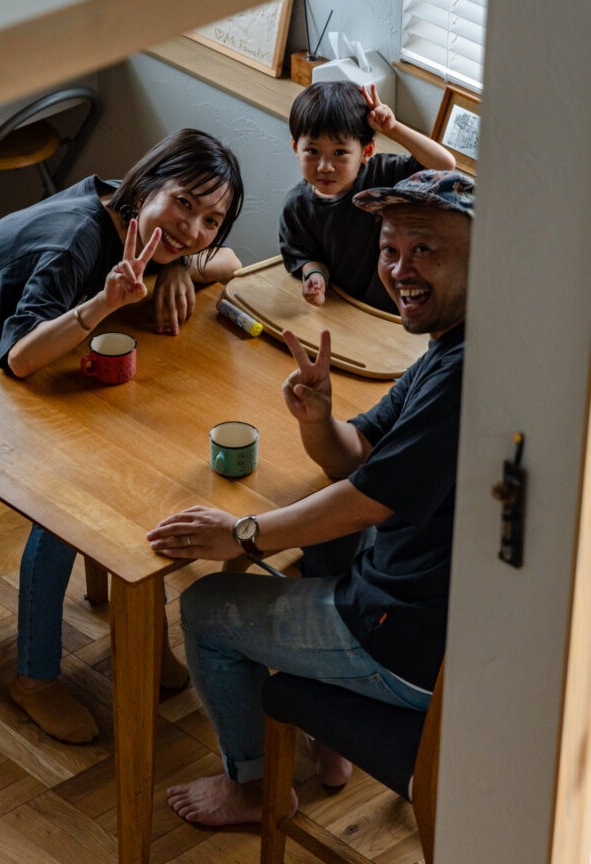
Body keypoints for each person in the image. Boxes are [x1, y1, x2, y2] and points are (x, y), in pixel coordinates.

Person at [147, 169, 474, 826]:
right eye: (389, 249)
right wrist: (319, 419)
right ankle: (329, 746)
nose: (399, 268)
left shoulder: (470, 370)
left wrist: (242, 533)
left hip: (414, 648)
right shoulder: (453, 347)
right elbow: (357, 457)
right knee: (319, 553)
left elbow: (365, 502)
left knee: (208, 607)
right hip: (431, 620)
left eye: (424, 250)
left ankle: (252, 790)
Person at [0, 128, 244, 742]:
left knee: (143, 452)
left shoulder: (125, 211)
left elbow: (232, 262)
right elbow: (19, 360)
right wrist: (103, 305)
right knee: (79, 490)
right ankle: (33, 678)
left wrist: (181, 269)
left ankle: (135, 630)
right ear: (147, 185)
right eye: (184, 204)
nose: (194, 227)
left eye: (210, 219)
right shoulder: (75, 239)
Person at [279, 81, 456, 312]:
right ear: (295, 147)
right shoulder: (297, 206)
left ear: (367, 151)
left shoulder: (384, 174)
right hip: (342, 307)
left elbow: (444, 164)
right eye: (312, 151)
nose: (324, 166)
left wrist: (393, 129)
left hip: (397, 308)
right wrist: (315, 275)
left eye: (340, 153)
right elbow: (303, 253)